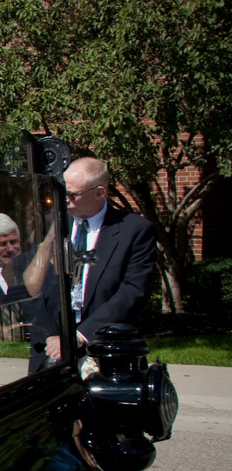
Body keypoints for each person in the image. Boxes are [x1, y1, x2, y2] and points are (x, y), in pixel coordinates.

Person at [19, 157, 157, 372]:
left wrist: (80, 336)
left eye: (72, 195)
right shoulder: (48, 224)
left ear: (100, 192)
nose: (64, 199)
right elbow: (29, 283)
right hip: (50, 347)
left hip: (103, 348)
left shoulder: (134, 230)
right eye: (62, 190)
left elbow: (134, 291)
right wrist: (50, 335)